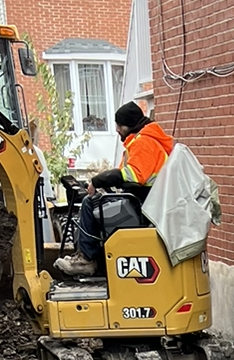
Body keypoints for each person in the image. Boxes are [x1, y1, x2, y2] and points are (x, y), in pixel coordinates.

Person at [54, 99, 174, 279]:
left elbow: (134, 175)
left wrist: (99, 180)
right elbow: (126, 176)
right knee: (96, 203)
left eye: (120, 125)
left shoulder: (144, 143)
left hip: (144, 207)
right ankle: (92, 257)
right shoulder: (140, 141)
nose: (117, 129)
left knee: (89, 202)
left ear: (130, 124)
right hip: (146, 203)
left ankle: (86, 260)